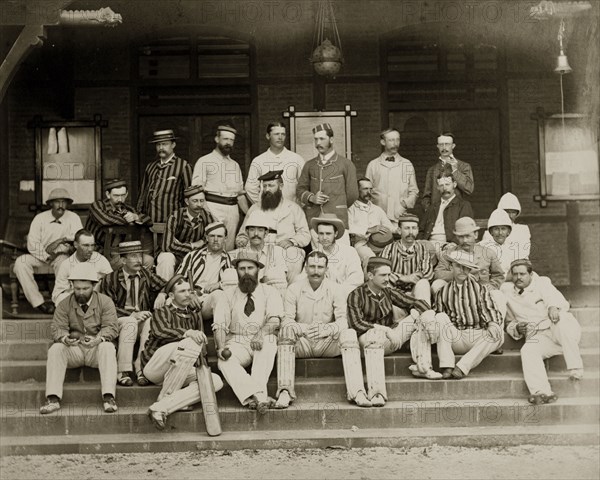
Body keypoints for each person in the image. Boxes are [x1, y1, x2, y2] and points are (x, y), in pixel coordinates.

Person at [274, 251, 372, 409]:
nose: (316, 271)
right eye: (312, 266)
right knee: (285, 332)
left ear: (327, 269)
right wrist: (305, 329)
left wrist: (328, 329)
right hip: (302, 342)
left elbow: (343, 321)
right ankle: (285, 390)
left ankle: (358, 392)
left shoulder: (336, 289)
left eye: (320, 267)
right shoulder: (294, 288)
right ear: (305, 268)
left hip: (326, 342)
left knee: (349, 333)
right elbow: (286, 321)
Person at [347, 258, 442, 408]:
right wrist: (384, 329)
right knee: (373, 336)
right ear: (371, 276)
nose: (387, 279)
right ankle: (376, 393)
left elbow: (414, 301)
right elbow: (356, 324)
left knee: (418, 316)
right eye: (383, 275)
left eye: (388, 275)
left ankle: (423, 366)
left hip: (390, 338)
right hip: (367, 342)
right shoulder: (356, 295)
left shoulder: (388, 291)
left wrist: (429, 316)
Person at [143, 275, 224, 430]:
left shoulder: (193, 315)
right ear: (171, 296)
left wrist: (202, 369)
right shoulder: (162, 311)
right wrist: (188, 332)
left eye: (189, 290)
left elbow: (198, 348)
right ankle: (166, 399)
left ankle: (163, 405)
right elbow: (160, 332)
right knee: (188, 342)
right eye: (182, 291)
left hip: (180, 368)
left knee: (215, 381)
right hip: (157, 367)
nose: (188, 294)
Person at [39, 262, 119, 414]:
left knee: (108, 346)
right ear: (72, 286)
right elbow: (57, 328)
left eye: (85, 288)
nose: (81, 292)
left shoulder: (105, 301)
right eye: (77, 289)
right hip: (75, 350)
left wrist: (99, 338)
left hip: (95, 350)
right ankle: (53, 399)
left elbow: (111, 327)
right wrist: (64, 338)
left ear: (94, 286)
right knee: (56, 348)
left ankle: (109, 397)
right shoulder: (64, 304)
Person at [501, 259, 583, 405]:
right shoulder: (507, 292)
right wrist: (516, 328)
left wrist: (553, 307)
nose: (518, 277)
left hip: (562, 332)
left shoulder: (542, 283)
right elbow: (509, 322)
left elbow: (556, 299)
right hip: (540, 336)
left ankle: (576, 369)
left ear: (530, 275)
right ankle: (541, 392)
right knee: (528, 350)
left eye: (522, 274)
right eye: (515, 274)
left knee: (560, 321)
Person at [212, 250, 283, 414]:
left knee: (269, 343)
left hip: (262, 336)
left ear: (258, 270)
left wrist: (260, 334)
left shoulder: (270, 292)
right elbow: (220, 325)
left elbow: (275, 320)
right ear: (236, 270)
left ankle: (257, 397)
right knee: (224, 361)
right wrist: (221, 347)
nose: (246, 273)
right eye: (242, 268)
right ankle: (256, 396)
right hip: (237, 340)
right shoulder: (227, 295)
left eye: (250, 268)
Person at [98, 241, 167, 387]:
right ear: (123, 260)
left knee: (150, 320)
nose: (139, 260)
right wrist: (132, 314)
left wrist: (163, 293)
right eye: (133, 256)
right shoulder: (110, 279)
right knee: (130, 322)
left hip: (140, 320)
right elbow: (107, 308)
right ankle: (123, 371)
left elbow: (168, 283)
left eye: (140, 256)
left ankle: (140, 367)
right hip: (118, 322)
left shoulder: (145, 275)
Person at [431, 250, 504, 379]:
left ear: (470, 270)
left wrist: (492, 324)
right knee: (439, 317)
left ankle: (462, 367)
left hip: (477, 335)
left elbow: (489, 308)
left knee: (498, 333)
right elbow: (440, 320)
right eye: (459, 266)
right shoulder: (443, 291)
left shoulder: (480, 289)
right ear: (451, 267)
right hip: (456, 337)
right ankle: (447, 365)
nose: (462, 271)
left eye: (466, 268)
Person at [13, 188, 82, 314]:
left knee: (64, 264)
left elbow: (77, 239)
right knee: (20, 262)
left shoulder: (74, 218)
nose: (61, 205)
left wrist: (62, 250)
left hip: (62, 255)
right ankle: (39, 303)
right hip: (41, 256)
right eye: (57, 202)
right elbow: (32, 242)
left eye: (64, 202)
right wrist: (45, 256)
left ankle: (62, 303)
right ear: (50, 203)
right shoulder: (40, 218)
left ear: (67, 204)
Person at [237, 170, 310, 283]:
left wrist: (292, 241)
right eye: (264, 186)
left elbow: (305, 235)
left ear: (280, 186)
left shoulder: (293, 208)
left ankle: (289, 290)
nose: (267, 189)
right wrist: (242, 241)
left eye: (271, 185)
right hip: (260, 248)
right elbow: (242, 234)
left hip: (284, 250)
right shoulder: (255, 208)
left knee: (294, 254)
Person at [297, 123, 358, 246]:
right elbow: (300, 189)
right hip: (315, 221)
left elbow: (352, 194)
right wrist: (312, 198)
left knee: (340, 256)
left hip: (338, 220)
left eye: (322, 139)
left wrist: (337, 205)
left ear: (331, 139)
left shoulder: (346, 164)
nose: (318, 143)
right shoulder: (309, 165)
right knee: (318, 258)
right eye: (316, 139)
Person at [192, 123, 249, 251]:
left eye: (231, 140)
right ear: (217, 139)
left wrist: (249, 213)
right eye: (225, 139)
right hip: (212, 208)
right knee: (213, 246)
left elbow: (240, 194)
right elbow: (197, 191)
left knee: (228, 247)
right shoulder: (204, 161)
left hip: (232, 211)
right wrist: (208, 214)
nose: (228, 143)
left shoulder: (235, 165)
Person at [85, 179, 153, 266]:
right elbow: (104, 220)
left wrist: (135, 217)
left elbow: (149, 221)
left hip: (119, 253)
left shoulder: (129, 209)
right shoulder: (97, 205)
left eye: (123, 195)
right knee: (124, 264)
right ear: (108, 194)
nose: (120, 199)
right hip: (95, 252)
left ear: (127, 194)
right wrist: (127, 219)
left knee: (149, 260)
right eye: (116, 196)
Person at [176, 221, 234, 321]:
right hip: (190, 297)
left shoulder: (231, 260)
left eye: (219, 236)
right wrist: (189, 294)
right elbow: (178, 279)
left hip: (209, 301)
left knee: (218, 295)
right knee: (169, 301)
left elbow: (234, 285)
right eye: (212, 236)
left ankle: (220, 333)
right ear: (206, 238)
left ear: (225, 239)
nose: (216, 240)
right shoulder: (192, 255)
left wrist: (219, 284)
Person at [433, 217, 505, 296]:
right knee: (437, 284)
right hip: (455, 292)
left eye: (468, 236)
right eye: (461, 237)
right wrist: (457, 274)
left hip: (481, 291)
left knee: (497, 294)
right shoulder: (448, 254)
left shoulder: (488, 253)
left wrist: (492, 285)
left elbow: (498, 275)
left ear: (476, 234)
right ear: (456, 237)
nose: (465, 240)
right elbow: (438, 273)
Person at [156, 185, 214, 281]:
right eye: (195, 201)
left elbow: (209, 242)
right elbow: (167, 246)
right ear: (187, 202)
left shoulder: (208, 217)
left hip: (196, 255)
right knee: (166, 258)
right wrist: (192, 246)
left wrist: (200, 243)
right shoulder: (175, 216)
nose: (199, 204)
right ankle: (165, 292)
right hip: (175, 255)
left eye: (202, 201)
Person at [365, 128, 419, 226]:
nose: (395, 143)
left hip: (399, 217)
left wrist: (404, 205)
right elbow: (366, 191)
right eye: (391, 140)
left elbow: (413, 190)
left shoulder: (406, 164)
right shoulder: (373, 165)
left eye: (397, 140)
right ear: (383, 142)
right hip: (377, 218)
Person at [137, 130, 193, 223]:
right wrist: (139, 214)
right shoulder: (150, 167)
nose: (161, 148)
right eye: (158, 145)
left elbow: (189, 197)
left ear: (173, 145)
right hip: (148, 223)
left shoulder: (183, 166)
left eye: (165, 144)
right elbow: (143, 194)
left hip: (172, 223)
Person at [245, 122, 305, 205]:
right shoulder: (258, 161)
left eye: (283, 134)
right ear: (268, 136)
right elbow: (250, 188)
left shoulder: (296, 159)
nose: (280, 137)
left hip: (291, 211)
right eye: (276, 134)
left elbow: (304, 186)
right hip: (267, 212)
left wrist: (298, 207)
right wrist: (261, 205)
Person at [230, 210, 288, 296]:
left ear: (266, 233)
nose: (256, 234)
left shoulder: (277, 251)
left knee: (276, 275)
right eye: (252, 230)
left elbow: (281, 278)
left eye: (260, 230)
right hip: (244, 294)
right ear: (247, 232)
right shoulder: (238, 254)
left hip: (270, 296)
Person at [379, 214, 434, 304]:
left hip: (415, 291)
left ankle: (424, 314)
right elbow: (381, 272)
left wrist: (415, 277)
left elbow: (428, 273)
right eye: (407, 228)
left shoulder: (423, 249)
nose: (411, 232)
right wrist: (403, 278)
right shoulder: (389, 249)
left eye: (414, 228)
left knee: (423, 283)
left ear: (417, 231)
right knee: (384, 284)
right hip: (395, 293)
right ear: (399, 231)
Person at [52, 229, 113, 306]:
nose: (90, 249)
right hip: (75, 302)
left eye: (92, 245)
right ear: (76, 245)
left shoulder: (100, 260)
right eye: (86, 245)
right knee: (61, 299)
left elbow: (112, 283)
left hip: (97, 303)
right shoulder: (66, 264)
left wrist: (101, 276)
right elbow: (58, 294)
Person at [310, 214, 363, 299]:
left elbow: (356, 279)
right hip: (321, 299)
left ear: (336, 233)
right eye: (321, 233)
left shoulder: (349, 252)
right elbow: (304, 279)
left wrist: (338, 294)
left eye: (328, 233)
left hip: (346, 297)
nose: (324, 237)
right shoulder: (314, 254)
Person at [347, 177, 395, 266]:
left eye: (370, 189)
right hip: (361, 244)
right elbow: (347, 228)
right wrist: (369, 230)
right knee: (373, 260)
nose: (369, 192)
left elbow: (389, 227)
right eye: (365, 189)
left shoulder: (377, 209)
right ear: (357, 190)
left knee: (392, 257)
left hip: (380, 245)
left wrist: (399, 229)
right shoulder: (351, 209)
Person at [419, 172, 473, 248]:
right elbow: (421, 229)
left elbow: (465, 229)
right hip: (429, 244)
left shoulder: (463, 205)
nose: (444, 188)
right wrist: (420, 243)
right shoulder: (432, 207)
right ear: (437, 187)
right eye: (441, 185)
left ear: (454, 184)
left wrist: (454, 243)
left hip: (449, 245)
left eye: (447, 184)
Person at [422, 133, 474, 212]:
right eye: (441, 144)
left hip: (457, 214)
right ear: (438, 146)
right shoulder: (432, 170)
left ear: (453, 146)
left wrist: (455, 170)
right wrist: (429, 212)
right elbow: (426, 196)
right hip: (436, 215)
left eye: (447, 144)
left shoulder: (464, 166)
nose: (444, 147)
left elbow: (469, 188)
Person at [481, 192, 531, 262]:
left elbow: (523, 253)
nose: (510, 216)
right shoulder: (489, 233)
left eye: (513, 212)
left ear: (517, 213)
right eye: (507, 212)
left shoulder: (522, 230)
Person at [479, 208, 526, 277]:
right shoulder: (482, 246)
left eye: (503, 229)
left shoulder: (514, 247)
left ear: (508, 232)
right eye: (496, 229)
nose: (500, 233)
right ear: (491, 232)